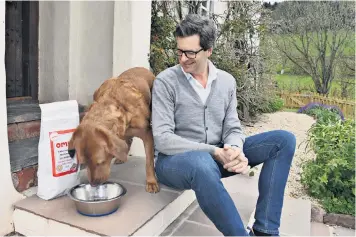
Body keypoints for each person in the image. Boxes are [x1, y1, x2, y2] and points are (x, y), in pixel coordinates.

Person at [151, 14, 296, 236]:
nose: (182, 59)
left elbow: (232, 127)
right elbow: (162, 139)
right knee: (201, 162)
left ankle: (266, 230)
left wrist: (235, 149)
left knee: (283, 140)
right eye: (179, 51)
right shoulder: (165, 82)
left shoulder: (227, 81)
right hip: (173, 163)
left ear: (209, 50)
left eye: (190, 52)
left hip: (216, 157)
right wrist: (214, 151)